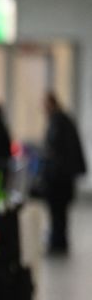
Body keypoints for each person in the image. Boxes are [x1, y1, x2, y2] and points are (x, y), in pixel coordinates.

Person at [42, 92, 87, 255]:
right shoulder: (64, 120)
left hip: (59, 179)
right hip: (63, 178)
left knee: (58, 213)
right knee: (60, 214)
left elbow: (56, 151)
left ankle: (58, 243)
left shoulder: (58, 122)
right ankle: (59, 242)